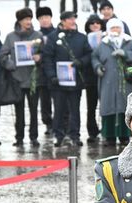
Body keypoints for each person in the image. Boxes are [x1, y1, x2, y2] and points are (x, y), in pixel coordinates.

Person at [43, 11, 92, 147]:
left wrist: (81, 62)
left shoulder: (81, 37)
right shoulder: (53, 38)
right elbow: (47, 58)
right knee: (59, 109)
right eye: (69, 19)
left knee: (75, 109)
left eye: (74, 18)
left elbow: (89, 54)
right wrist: (52, 75)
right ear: (63, 21)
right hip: (58, 82)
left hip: (75, 81)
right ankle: (58, 135)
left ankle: (74, 135)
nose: (72, 21)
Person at [93, 18, 132, 147]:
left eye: (117, 28)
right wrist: (98, 67)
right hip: (108, 81)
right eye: (113, 28)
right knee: (108, 106)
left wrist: (125, 53)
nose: (115, 31)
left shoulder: (129, 42)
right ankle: (109, 136)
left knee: (126, 107)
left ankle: (124, 136)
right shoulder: (103, 44)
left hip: (127, 82)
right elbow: (94, 57)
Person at [0, 7, 43, 147]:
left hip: (33, 79)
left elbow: (46, 53)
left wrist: (39, 57)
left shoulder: (37, 35)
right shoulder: (11, 37)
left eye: (30, 19)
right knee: (19, 111)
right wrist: (11, 65)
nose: (28, 22)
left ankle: (34, 136)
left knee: (34, 110)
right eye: (25, 19)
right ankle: (19, 137)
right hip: (17, 79)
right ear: (19, 21)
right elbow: (2, 55)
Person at [83, 14, 104, 144]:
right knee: (91, 106)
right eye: (92, 23)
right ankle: (92, 131)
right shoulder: (85, 39)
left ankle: (106, 130)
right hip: (90, 77)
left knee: (106, 105)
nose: (95, 25)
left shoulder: (108, 38)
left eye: (98, 23)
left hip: (105, 76)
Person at [36, 6, 55, 136]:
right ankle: (48, 123)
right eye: (41, 18)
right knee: (45, 100)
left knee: (59, 100)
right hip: (41, 73)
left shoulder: (57, 33)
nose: (44, 20)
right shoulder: (36, 35)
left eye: (46, 17)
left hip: (56, 72)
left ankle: (61, 123)